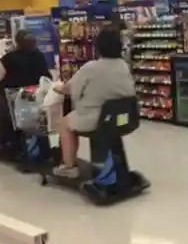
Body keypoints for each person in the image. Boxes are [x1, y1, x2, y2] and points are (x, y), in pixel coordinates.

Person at [53, 27, 136, 178]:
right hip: (124, 118)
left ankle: (69, 167)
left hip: (97, 119)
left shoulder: (91, 67)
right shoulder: (124, 66)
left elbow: (70, 89)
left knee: (64, 123)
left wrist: (57, 88)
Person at [0, 30, 51, 154]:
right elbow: (47, 77)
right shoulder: (39, 57)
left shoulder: (8, 58)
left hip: (14, 103)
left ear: (16, 42)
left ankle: (4, 141)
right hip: (37, 102)